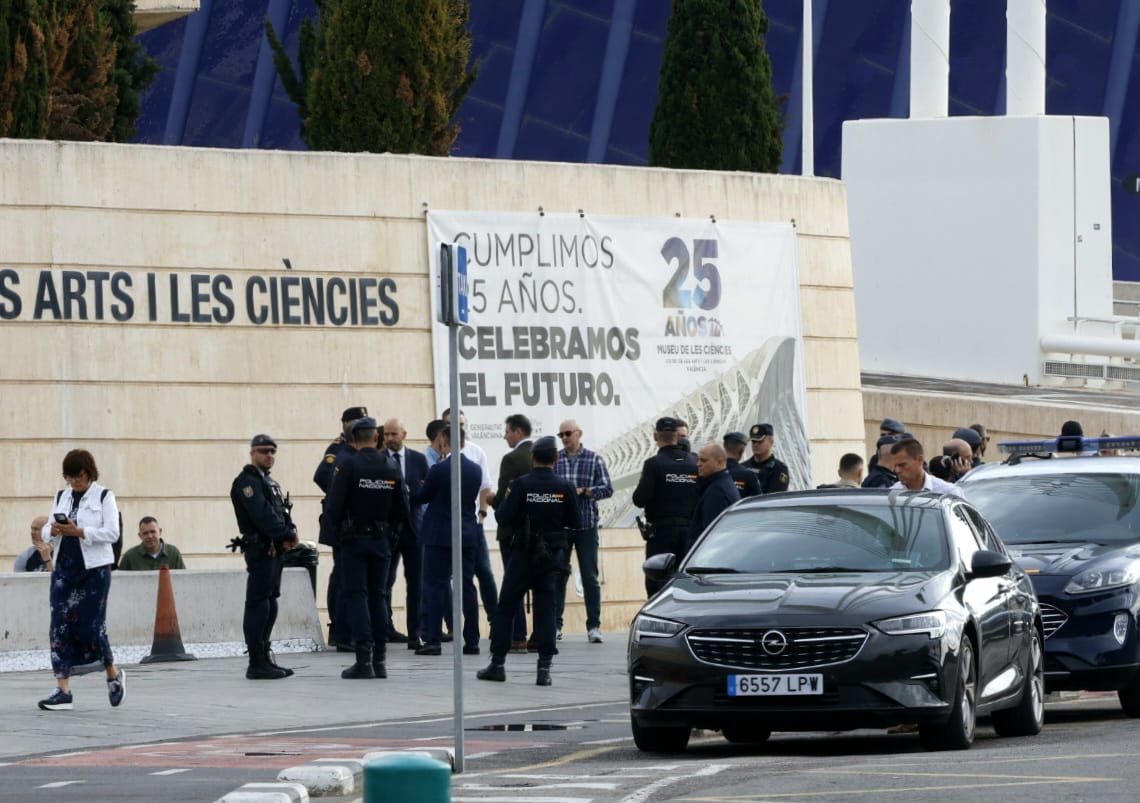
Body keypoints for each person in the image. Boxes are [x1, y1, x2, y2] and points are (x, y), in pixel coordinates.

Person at [477, 436, 579, 686]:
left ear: (533, 458)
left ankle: (497, 664)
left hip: (522, 554)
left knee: (506, 607)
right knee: (546, 610)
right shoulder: (565, 486)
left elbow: (503, 516)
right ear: (555, 459)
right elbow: (575, 521)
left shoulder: (521, 484)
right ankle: (544, 670)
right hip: (551, 557)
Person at [38, 449, 125, 711]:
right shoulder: (61, 496)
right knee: (59, 625)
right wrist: (52, 529)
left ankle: (112, 673)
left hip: (94, 571)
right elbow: (45, 529)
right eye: (69, 477)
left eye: (78, 476)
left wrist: (80, 531)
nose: (74, 482)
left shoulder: (104, 496)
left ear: (88, 473)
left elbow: (112, 532)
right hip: (64, 570)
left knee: (91, 626)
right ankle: (63, 690)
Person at [324, 417, 410, 679]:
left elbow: (334, 507)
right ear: (377, 438)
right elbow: (403, 509)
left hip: (354, 541)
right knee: (378, 597)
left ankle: (364, 659)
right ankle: (380, 660)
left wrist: (338, 534)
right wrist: (391, 536)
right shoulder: (391, 466)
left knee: (357, 596)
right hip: (382, 542)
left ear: (353, 438)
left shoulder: (348, 464)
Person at [231, 434, 299, 680]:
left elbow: (280, 511)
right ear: (252, 453)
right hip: (262, 550)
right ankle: (256, 661)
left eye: (272, 451)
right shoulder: (247, 482)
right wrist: (285, 532)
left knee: (270, 602)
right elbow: (262, 515)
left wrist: (290, 530)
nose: (269, 455)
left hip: (275, 550)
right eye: (263, 451)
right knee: (258, 604)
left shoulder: (268, 482)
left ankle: (264, 655)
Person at [414, 425, 484, 656]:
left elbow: (422, 497)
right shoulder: (475, 469)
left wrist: (418, 488)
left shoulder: (439, 469)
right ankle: (472, 640)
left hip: (439, 534)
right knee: (467, 586)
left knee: (434, 585)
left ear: (444, 439)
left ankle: (433, 640)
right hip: (466, 533)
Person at [554, 418, 613, 644]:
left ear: (579, 433)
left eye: (568, 433)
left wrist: (586, 491)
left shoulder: (594, 459)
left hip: (586, 525)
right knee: (558, 576)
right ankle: (556, 626)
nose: (565, 438)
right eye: (561, 435)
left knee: (590, 577)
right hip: (561, 527)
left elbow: (607, 488)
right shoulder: (556, 460)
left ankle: (594, 626)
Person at [440, 408, 499, 630]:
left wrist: (481, 515)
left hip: (471, 524)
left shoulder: (476, 452)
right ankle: (451, 625)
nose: (458, 429)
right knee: (445, 577)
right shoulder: (436, 454)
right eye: (452, 425)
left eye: (461, 425)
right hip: (445, 526)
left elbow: (486, 488)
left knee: (483, 571)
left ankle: (496, 621)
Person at [315, 406, 367, 651]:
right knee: (342, 575)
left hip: (358, 522)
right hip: (341, 522)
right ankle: (338, 627)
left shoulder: (362, 447)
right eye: (356, 421)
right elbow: (321, 475)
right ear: (345, 424)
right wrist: (343, 492)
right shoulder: (337, 449)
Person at [632, 417, 699, 596]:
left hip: (661, 533)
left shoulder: (653, 464)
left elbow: (639, 499)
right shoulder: (695, 462)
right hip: (690, 531)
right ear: (678, 436)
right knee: (687, 578)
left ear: (655, 436)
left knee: (657, 580)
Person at [382, 417, 428, 649]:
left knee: (416, 583)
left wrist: (409, 493)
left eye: (394, 434)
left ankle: (415, 634)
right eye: (386, 435)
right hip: (388, 530)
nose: (389, 439)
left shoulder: (418, 460)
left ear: (404, 434)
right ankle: (384, 629)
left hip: (414, 530)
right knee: (385, 581)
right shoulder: (379, 460)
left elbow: (426, 492)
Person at [490, 413, 534, 653]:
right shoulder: (540, 455)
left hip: (512, 532)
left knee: (513, 582)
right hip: (537, 532)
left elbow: (503, 497)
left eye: (507, 431)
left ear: (517, 431)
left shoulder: (512, 459)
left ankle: (517, 635)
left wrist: (490, 500)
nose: (505, 436)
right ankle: (535, 636)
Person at [688, 444, 740, 549]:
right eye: (698, 460)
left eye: (703, 460)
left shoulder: (717, 491)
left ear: (719, 462)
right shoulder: (722, 484)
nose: (698, 464)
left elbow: (711, 535)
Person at [890, 438, 965, 498]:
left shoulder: (949, 493)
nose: (897, 470)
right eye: (895, 466)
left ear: (920, 460)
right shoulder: (890, 495)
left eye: (902, 465)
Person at [118, 517, 187, 571]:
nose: (150, 536)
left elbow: (183, 579)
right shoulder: (130, 557)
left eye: (153, 531)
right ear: (140, 536)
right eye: (145, 533)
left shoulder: (173, 553)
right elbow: (120, 582)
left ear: (160, 532)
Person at [741, 423, 790, 493]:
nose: (756, 444)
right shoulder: (743, 467)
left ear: (771, 442)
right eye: (753, 441)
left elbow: (775, 499)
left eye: (760, 441)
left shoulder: (779, 469)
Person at [722, 432, 762, 498]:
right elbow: (759, 501)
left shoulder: (711, 470)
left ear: (724, 446)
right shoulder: (748, 475)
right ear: (742, 451)